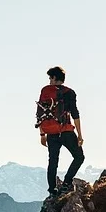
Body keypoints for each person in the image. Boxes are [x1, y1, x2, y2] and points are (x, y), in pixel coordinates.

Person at [35, 66, 85, 195]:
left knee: (53, 161)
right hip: (66, 131)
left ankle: (52, 190)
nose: (49, 81)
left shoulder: (45, 91)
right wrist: (79, 135)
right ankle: (66, 183)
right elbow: (75, 114)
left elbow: (40, 113)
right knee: (79, 157)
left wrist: (42, 134)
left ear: (54, 77)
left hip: (51, 133)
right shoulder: (69, 92)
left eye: (50, 78)